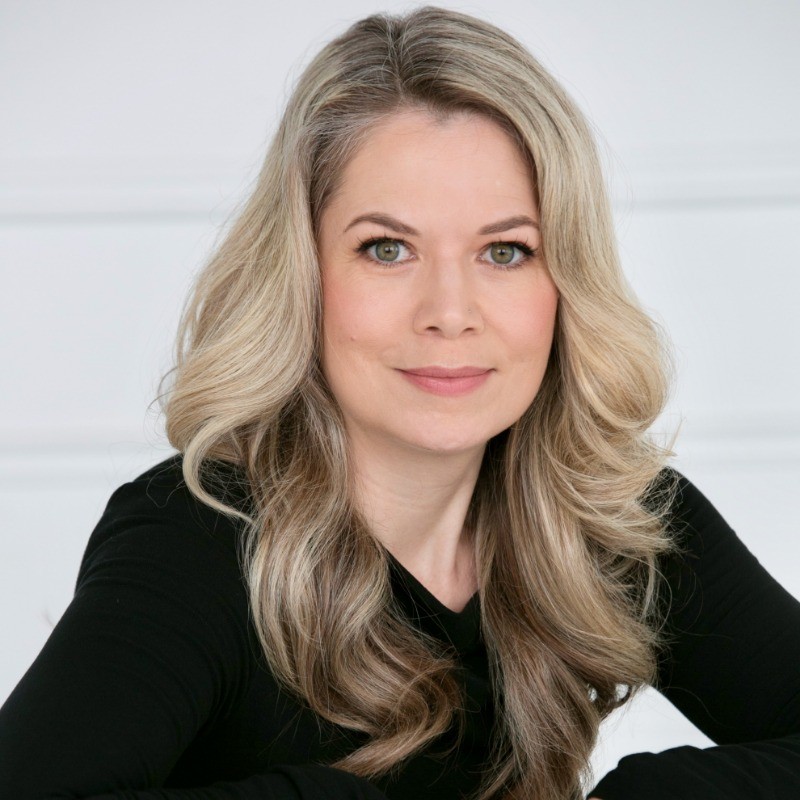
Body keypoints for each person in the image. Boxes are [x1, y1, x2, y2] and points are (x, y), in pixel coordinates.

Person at [0, 6, 798, 800]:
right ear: (304, 277)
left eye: (505, 251)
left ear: (566, 285)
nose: (449, 312)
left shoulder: (613, 521)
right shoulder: (199, 541)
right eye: (387, 249)